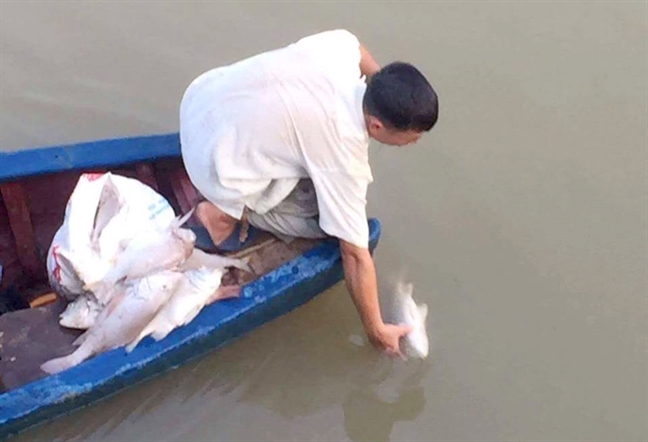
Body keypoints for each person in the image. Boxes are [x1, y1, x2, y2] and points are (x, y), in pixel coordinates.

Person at [179, 29, 438, 357]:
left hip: (201, 101)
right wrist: (376, 329)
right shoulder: (344, 155)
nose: (414, 142)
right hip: (209, 166)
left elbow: (353, 42)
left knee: (295, 151)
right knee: (324, 226)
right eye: (411, 136)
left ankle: (230, 192)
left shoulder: (338, 53)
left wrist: (387, 92)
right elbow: (354, 256)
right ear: (376, 126)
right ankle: (219, 213)